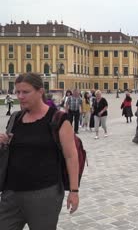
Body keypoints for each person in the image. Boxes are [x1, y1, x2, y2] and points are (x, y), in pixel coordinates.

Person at [0, 73, 79, 229]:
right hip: (11, 194)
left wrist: (74, 191)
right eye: (17, 92)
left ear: (40, 92)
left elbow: (71, 156)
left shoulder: (58, 119)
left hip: (44, 194)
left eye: (25, 92)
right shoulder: (15, 118)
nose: (20, 96)